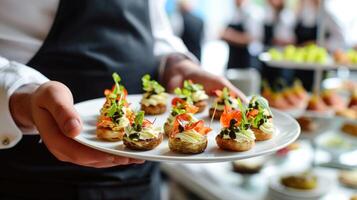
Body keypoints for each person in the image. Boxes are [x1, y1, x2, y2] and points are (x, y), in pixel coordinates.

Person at [0, 0, 246, 199]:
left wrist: (176, 64)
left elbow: (157, 31)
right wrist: (18, 95)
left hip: (140, 177)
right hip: (30, 173)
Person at [261, 0, 296, 85]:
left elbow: (293, 40)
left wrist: (279, 41)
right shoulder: (267, 14)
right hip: (268, 59)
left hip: (283, 61)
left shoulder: (288, 16)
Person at [221, 0, 262, 69]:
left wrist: (230, 36)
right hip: (233, 59)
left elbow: (250, 39)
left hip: (246, 61)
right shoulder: (233, 13)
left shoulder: (252, 13)